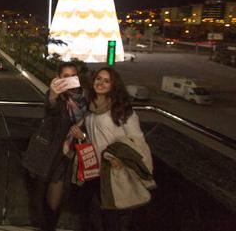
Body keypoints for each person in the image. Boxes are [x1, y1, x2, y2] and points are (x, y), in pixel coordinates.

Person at [70, 67, 153, 231]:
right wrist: (82, 136)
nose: (100, 83)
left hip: (114, 171)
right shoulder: (91, 107)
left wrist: (123, 159)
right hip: (93, 169)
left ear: (114, 86)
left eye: (106, 81)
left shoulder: (123, 110)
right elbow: (93, 137)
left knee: (111, 217)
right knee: (91, 213)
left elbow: (137, 140)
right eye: (98, 79)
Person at [27, 62, 86, 231]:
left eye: (72, 76)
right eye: (65, 76)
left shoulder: (84, 100)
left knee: (54, 203)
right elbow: (50, 108)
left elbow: (88, 126)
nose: (69, 80)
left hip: (64, 157)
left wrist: (81, 136)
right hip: (45, 154)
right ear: (58, 78)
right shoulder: (55, 96)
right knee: (38, 199)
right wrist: (53, 94)